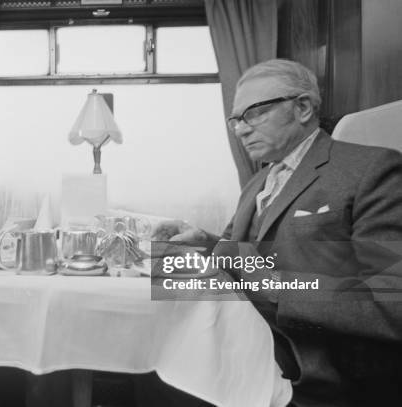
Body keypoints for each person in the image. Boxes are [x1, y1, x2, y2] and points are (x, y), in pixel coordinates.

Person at [153, 59, 402, 406]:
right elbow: (242, 253)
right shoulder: (258, 182)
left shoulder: (371, 170)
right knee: (148, 336)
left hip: (312, 371)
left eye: (254, 113)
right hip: (239, 346)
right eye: (236, 120)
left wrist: (273, 283)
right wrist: (207, 242)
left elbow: (390, 301)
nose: (241, 130)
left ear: (302, 108)